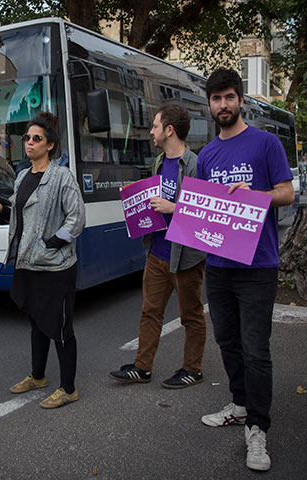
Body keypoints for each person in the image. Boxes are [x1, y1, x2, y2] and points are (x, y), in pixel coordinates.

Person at [196, 68, 294, 472]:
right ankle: (239, 403)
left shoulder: (266, 144)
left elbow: (287, 193)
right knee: (228, 342)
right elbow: (201, 210)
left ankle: (258, 427)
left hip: (257, 266)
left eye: (230, 97)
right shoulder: (206, 156)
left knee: (257, 350)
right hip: (218, 268)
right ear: (210, 104)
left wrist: (257, 197)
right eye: (217, 99)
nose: (224, 105)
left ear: (241, 100)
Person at [0, 112, 86, 409]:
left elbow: (77, 218)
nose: (29, 142)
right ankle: (38, 376)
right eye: (27, 138)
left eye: (36, 139)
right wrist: (1, 208)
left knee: (60, 327)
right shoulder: (22, 176)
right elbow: (21, 215)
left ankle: (68, 388)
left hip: (55, 266)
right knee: (37, 322)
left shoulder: (61, 177)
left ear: (51, 145)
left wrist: (51, 243)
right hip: (27, 262)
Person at [109, 105, 206, 388]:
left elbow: (204, 212)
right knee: (150, 311)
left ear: (169, 130)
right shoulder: (158, 163)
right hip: (157, 252)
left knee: (191, 315)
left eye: (154, 126)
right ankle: (142, 367)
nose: (151, 131)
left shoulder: (196, 165)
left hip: (186, 256)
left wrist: (173, 207)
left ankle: (193, 369)